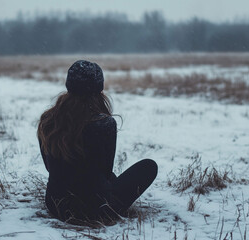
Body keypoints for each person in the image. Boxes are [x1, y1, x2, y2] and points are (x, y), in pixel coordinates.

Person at [37, 60, 158, 225]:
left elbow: (50, 167)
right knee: (148, 166)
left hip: (56, 204)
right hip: (97, 208)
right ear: (99, 88)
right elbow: (105, 170)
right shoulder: (104, 124)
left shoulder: (48, 120)